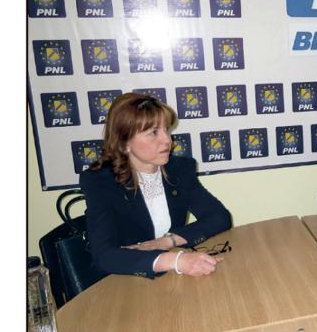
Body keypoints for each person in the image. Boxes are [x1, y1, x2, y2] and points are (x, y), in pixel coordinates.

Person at [80, 92, 233, 277]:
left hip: (173, 276)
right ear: (124, 143)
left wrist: (168, 241)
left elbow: (219, 217)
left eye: (166, 129)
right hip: (127, 279)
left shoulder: (179, 169)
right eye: (153, 133)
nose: (167, 140)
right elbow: (104, 256)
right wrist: (175, 261)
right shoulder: (101, 182)